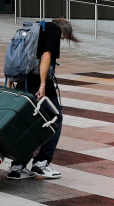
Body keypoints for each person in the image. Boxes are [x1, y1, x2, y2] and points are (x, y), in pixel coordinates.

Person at [7, 16, 79, 180]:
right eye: (64, 37)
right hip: (37, 82)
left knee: (30, 124)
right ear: (64, 29)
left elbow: (16, 56)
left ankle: (17, 167)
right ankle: (42, 163)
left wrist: (10, 80)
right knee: (55, 118)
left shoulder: (35, 29)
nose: (62, 40)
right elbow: (46, 56)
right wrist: (43, 85)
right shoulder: (53, 30)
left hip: (23, 80)